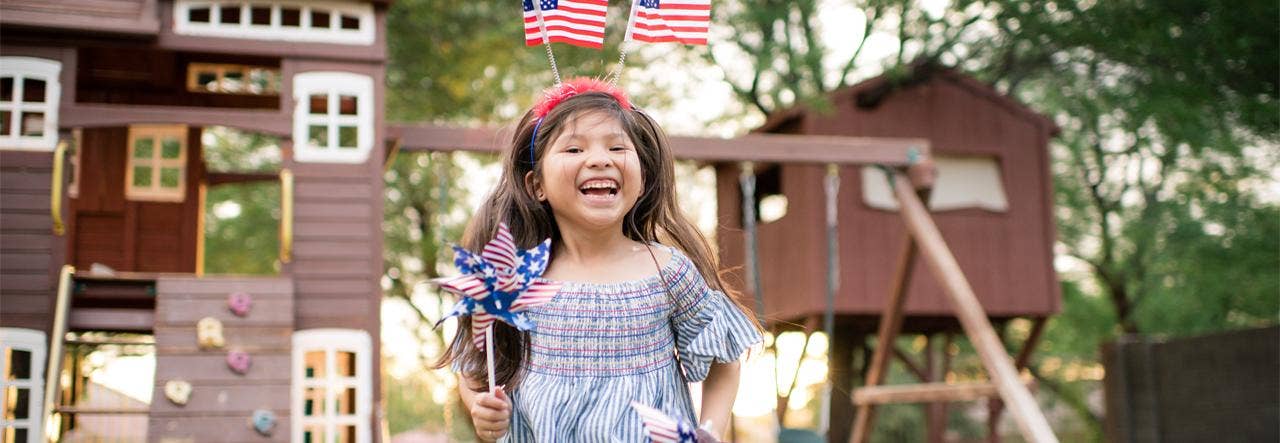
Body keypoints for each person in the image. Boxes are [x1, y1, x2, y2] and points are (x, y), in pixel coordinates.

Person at [436, 78, 763, 442]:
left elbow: (724, 357)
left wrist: (710, 430)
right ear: (536, 186)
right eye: (574, 150)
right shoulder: (514, 279)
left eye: (617, 147)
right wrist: (481, 408)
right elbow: (476, 363)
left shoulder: (666, 272)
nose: (599, 159)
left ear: (643, 180)